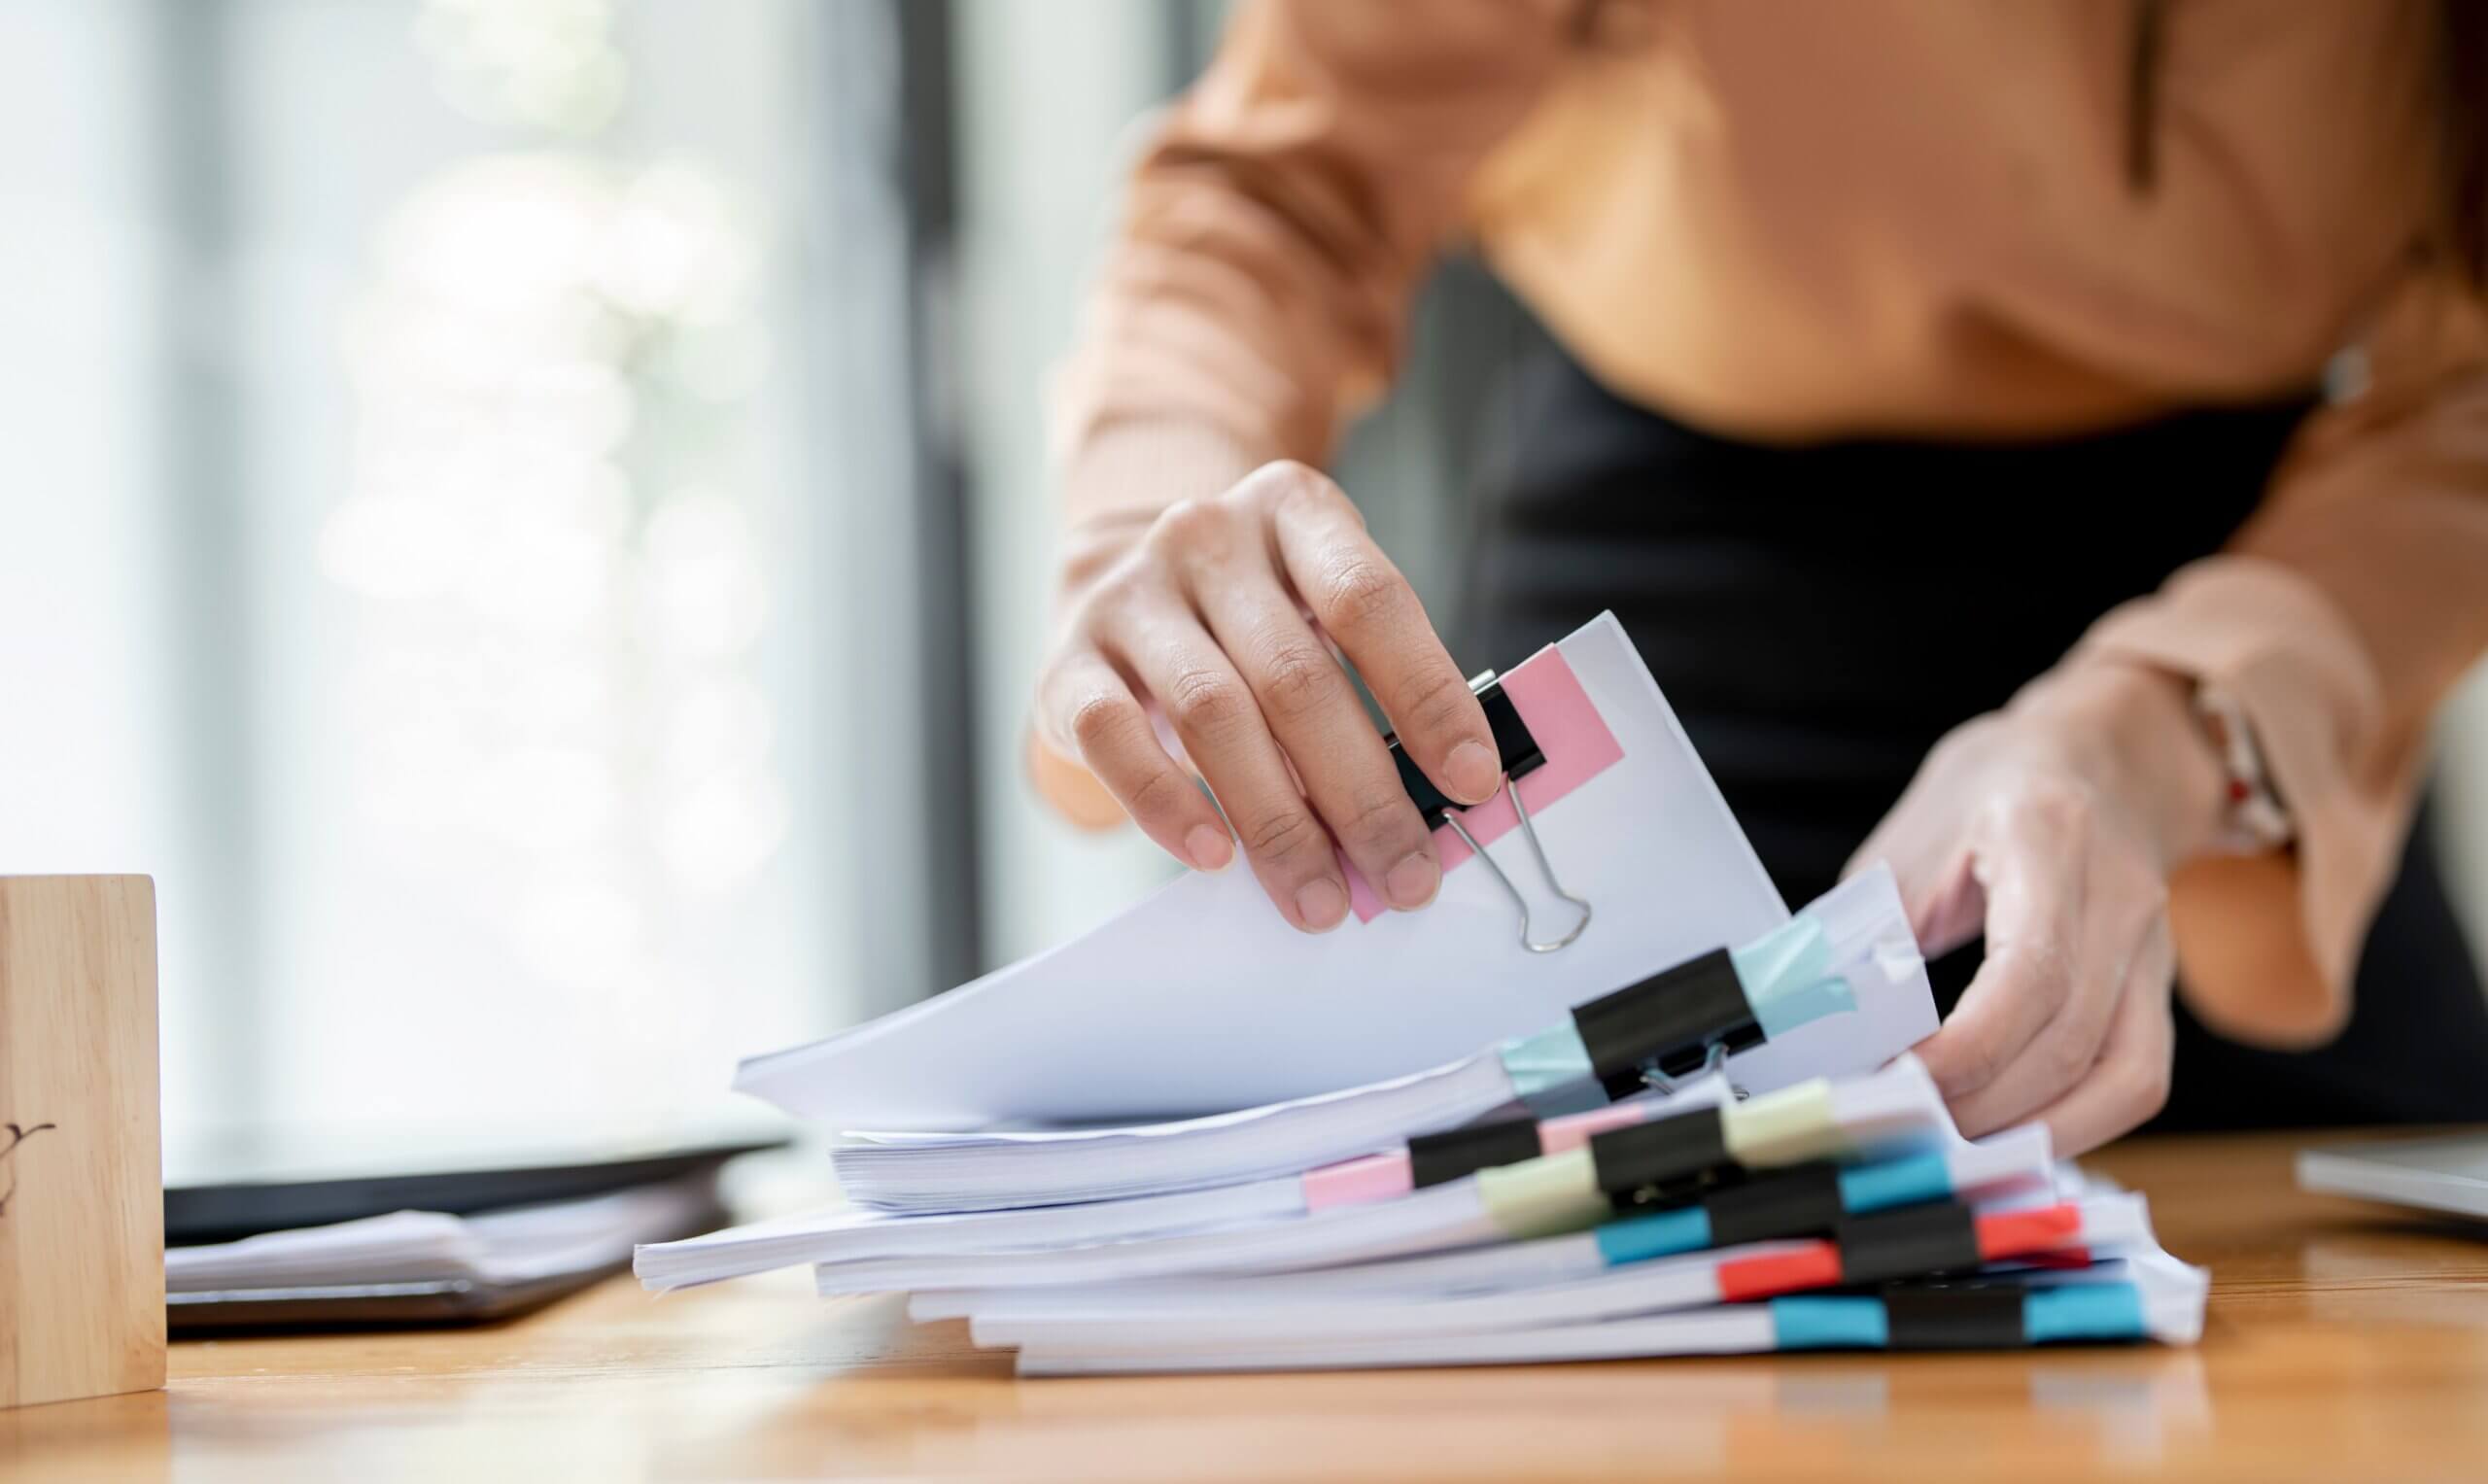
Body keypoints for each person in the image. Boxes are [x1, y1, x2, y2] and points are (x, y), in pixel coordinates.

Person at [1023, 0, 2488, 1154]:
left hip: (2256, 646)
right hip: (1660, 620)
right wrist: (1147, 524)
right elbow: (1284, 184)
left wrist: (2176, 737)